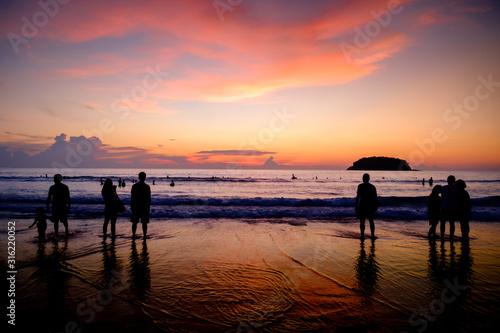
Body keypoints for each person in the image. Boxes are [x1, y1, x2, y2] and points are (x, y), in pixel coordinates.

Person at [355, 173, 378, 239]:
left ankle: (362, 235)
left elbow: (358, 197)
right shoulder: (372, 187)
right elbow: (375, 198)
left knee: (363, 221)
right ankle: (372, 235)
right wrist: (375, 206)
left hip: (363, 205)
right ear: (369, 179)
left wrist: (356, 205)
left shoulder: (360, 186)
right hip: (368, 205)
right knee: (370, 221)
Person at [131, 172, 151, 240]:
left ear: (139, 177)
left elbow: (132, 197)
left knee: (134, 222)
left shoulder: (135, 186)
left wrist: (132, 206)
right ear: (145, 178)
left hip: (136, 206)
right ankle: (144, 235)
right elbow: (148, 198)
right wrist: (148, 207)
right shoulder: (147, 187)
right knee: (144, 223)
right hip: (144, 206)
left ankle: (134, 234)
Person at [440, 175, 460, 240]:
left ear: (447, 181)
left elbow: (442, 196)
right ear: (454, 181)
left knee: (443, 223)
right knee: (452, 223)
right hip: (453, 207)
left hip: (444, 207)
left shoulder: (443, 188)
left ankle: (442, 236)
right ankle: (451, 236)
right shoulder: (457, 189)